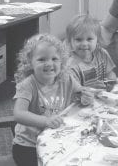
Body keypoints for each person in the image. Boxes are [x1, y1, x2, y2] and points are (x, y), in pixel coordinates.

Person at [12, 33, 93, 166]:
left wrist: (85, 96)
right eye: (42, 59)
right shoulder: (27, 85)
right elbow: (18, 114)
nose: (49, 63)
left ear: (62, 62)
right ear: (30, 63)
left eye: (54, 59)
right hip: (28, 146)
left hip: (57, 139)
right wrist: (46, 121)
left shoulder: (66, 79)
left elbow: (80, 93)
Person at [66, 14, 116, 89]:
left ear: (97, 39)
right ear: (70, 41)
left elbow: (110, 73)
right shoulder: (71, 66)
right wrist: (91, 89)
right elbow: (72, 91)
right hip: (82, 99)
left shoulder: (101, 53)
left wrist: (109, 82)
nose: (84, 44)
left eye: (89, 39)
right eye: (78, 39)